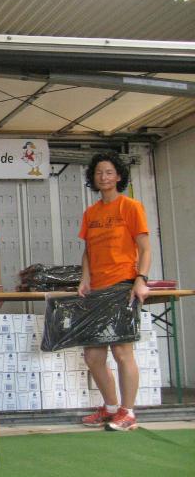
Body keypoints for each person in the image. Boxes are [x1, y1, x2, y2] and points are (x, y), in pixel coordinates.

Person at [78, 151, 150, 432]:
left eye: (109, 172)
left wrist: (141, 279)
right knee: (93, 356)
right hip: (96, 290)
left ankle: (128, 413)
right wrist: (84, 279)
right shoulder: (91, 213)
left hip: (122, 286)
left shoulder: (130, 207)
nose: (103, 177)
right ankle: (110, 408)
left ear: (119, 176)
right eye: (99, 172)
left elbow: (145, 248)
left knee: (121, 352)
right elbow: (88, 251)